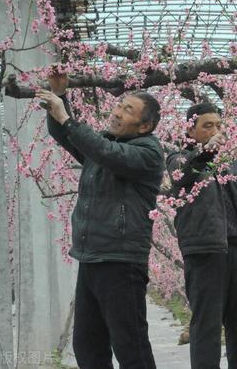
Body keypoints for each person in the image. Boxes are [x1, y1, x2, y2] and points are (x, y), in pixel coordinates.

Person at [37, 74, 164, 369]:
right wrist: (60, 95)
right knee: (88, 346)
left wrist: (68, 119)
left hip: (121, 262)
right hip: (91, 258)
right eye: (119, 105)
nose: (117, 112)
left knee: (131, 348)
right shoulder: (102, 147)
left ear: (145, 126)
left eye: (128, 110)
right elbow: (67, 136)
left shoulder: (148, 153)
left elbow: (108, 154)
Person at [166, 102, 237, 369]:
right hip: (205, 251)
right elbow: (182, 177)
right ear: (190, 131)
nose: (216, 130)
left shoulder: (232, 161)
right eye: (207, 126)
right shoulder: (179, 158)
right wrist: (205, 152)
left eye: (218, 125)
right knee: (207, 326)